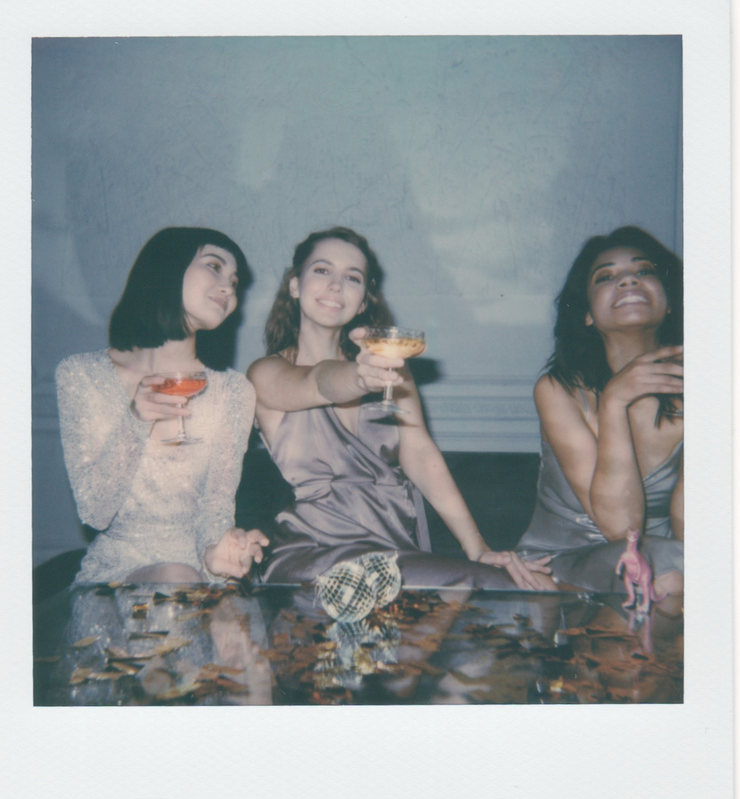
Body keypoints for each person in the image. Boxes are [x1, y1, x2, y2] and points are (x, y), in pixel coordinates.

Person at [247, 226, 551, 590]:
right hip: (316, 557)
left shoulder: (390, 364)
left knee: (535, 588)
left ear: (362, 302)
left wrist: (478, 548)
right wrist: (359, 379)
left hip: (395, 548)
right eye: (322, 270)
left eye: (353, 277)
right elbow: (316, 382)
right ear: (295, 286)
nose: (336, 285)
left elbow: (420, 453)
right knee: (499, 588)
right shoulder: (265, 373)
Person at [56, 226, 268, 585]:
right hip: (117, 578)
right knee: (174, 577)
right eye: (214, 266)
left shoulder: (234, 392)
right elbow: (95, 512)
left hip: (199, 573)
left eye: (234, 281)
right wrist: (136, 420)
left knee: (187, 582)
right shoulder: (81, 375)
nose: (229, 288)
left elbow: (216, 508)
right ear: (168, 267)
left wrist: (218, 551)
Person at [517, 226, 683, 597]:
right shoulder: (558, 390)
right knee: (666, 573)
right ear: (588, 314)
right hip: (559, 564)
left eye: (644, 271)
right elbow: (621, 531)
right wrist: (613, 402)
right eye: (606, 276)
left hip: (665, 568)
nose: (628, 280)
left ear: (669, 301)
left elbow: (693, 530)